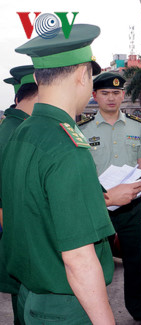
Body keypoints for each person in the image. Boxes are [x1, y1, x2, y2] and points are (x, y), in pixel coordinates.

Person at [0, 24, 116, 324]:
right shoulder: (67, 146)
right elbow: (78, 258)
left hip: (30, 296)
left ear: (38, 77)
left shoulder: (21, 132)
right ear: (82, 75)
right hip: (65, 305)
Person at [78, 72, 141, 325]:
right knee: (95, 260)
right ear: (95, 96)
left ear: (123, 95)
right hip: (98, 204)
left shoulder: (136, 125)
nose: (111, 98)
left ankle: (140, 309)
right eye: (105, 93)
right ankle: (95, 310)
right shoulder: (82, 130)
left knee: (137, 261)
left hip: (131, 204)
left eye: (116, 93)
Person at [0, 65, 37, 325]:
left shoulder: (13, 128)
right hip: (19, 234)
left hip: (15, 232)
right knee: (24, 306)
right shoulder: (21, 133)